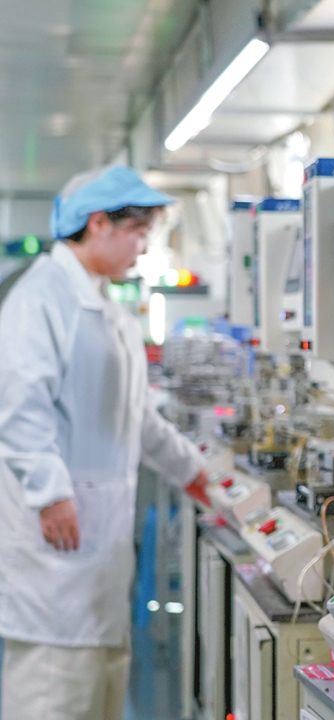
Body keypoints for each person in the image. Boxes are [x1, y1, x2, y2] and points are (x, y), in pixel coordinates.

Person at [0, 165, 211, 720]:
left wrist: (192, 470)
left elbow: (135, 417)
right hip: (56, 558)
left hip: (97, 558)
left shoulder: (108, 309)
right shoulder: (40, 299)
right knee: (52, 694)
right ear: (99, 224)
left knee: (100, 692)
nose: (144, 247)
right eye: (139, 232)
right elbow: (18, 407)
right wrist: (49, 493)